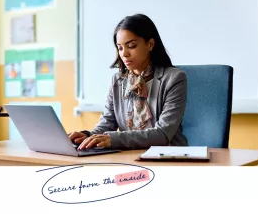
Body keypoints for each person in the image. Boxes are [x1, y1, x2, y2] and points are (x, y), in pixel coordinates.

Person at [69, 13, 188, 150]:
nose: (124, 54)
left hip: (168, 156)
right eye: (120, 48)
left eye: (131, 46)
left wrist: (112, 139)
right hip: (129, 155)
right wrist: (87, 136)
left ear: (150, 44)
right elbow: (107, 124)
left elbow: (162, 134)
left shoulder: (174, 79)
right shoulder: (118, 81)